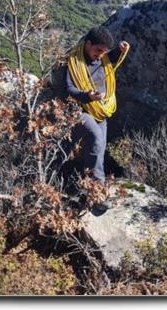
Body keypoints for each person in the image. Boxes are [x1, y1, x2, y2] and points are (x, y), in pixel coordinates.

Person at [66, 26, 130, 210]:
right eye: (97, 50)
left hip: (99, 111)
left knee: (99, 147)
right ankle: (97, 193)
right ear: (88, 44)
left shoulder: (103, 58)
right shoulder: (72, 61)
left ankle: (88, 190)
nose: (100, 55)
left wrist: (120, 50)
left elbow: (110, 60)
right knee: (95, 137)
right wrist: (88, 96)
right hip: (78, 109)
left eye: (104, 51)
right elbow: (68, 89)